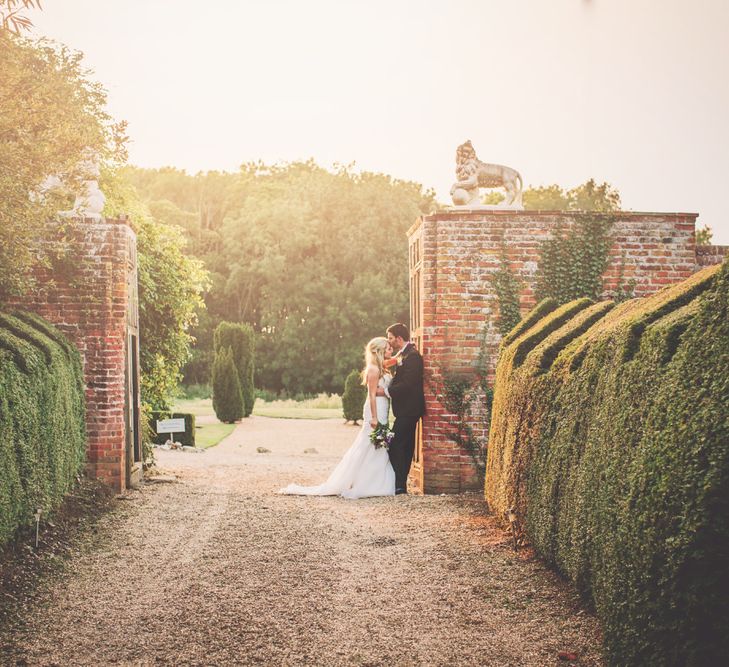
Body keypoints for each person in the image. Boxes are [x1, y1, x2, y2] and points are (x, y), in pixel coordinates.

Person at [279, 337, 396, 499]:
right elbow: (371, 395)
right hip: (375, 409)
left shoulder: (381, 367)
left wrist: (399, 359)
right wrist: (374, 418)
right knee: (369, 443)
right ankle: (366, 482)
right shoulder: (374, 370)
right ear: (380, 351)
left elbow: (389, 367)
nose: (392, 350)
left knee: (376, 444)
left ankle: (370, 479)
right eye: (389, 348)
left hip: (383, 408)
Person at [379, 323, 425, 495]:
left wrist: (385, 391)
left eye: (391, 338)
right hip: (404, 410)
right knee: (405, 446)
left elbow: (408, 383)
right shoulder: (403, 354)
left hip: (410, 409)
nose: (389, 342)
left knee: (396, 444)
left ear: (399, 338)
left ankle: (399, 482)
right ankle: (400, 484)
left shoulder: (412, 356)